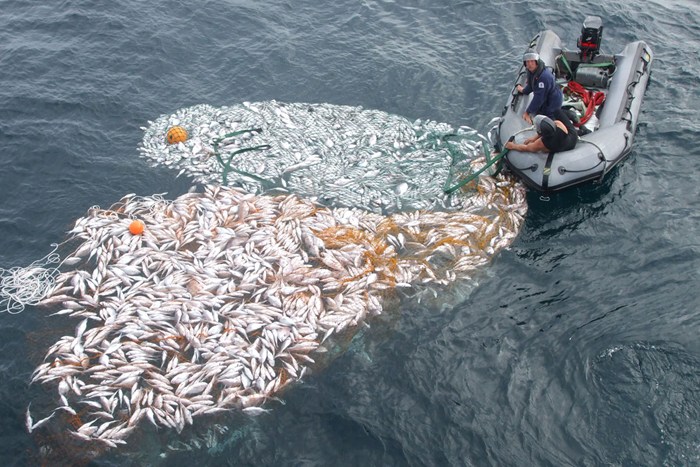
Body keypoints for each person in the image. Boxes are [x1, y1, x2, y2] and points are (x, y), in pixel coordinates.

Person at [516, 50, 563, 124]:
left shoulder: (543, 77)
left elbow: (539, 98)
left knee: (550, 120)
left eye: (532, 61)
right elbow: (532, 85)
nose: (530, 64)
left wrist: (527, 112)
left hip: (553, 101)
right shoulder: (532, 71)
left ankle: (566, 118)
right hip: (546, 98)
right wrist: (524, 90)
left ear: (536, 62)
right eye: (527, 62)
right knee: (540, 111)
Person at [505, 111, 578, 153]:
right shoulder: (559, 125)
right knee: (558, 111)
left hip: (562, 145)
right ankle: (579, 129)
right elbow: (551, 127)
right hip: (572, 140)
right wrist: (533, 138)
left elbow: (526, 148)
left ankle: (573, 117)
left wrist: (513, 146)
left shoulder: (541, 143)